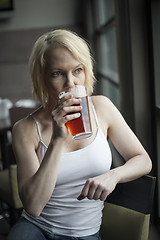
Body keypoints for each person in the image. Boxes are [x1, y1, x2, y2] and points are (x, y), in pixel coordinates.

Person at [8, 29, 152, 240]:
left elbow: (143, 160)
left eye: (77, 70)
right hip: (36, 228)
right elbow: (33, 207)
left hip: (85, 234)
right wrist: (57, 139)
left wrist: (114, 175)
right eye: (57, 73)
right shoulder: (25, 129)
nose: (71, 83)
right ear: (42, 78)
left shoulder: (102, 107)